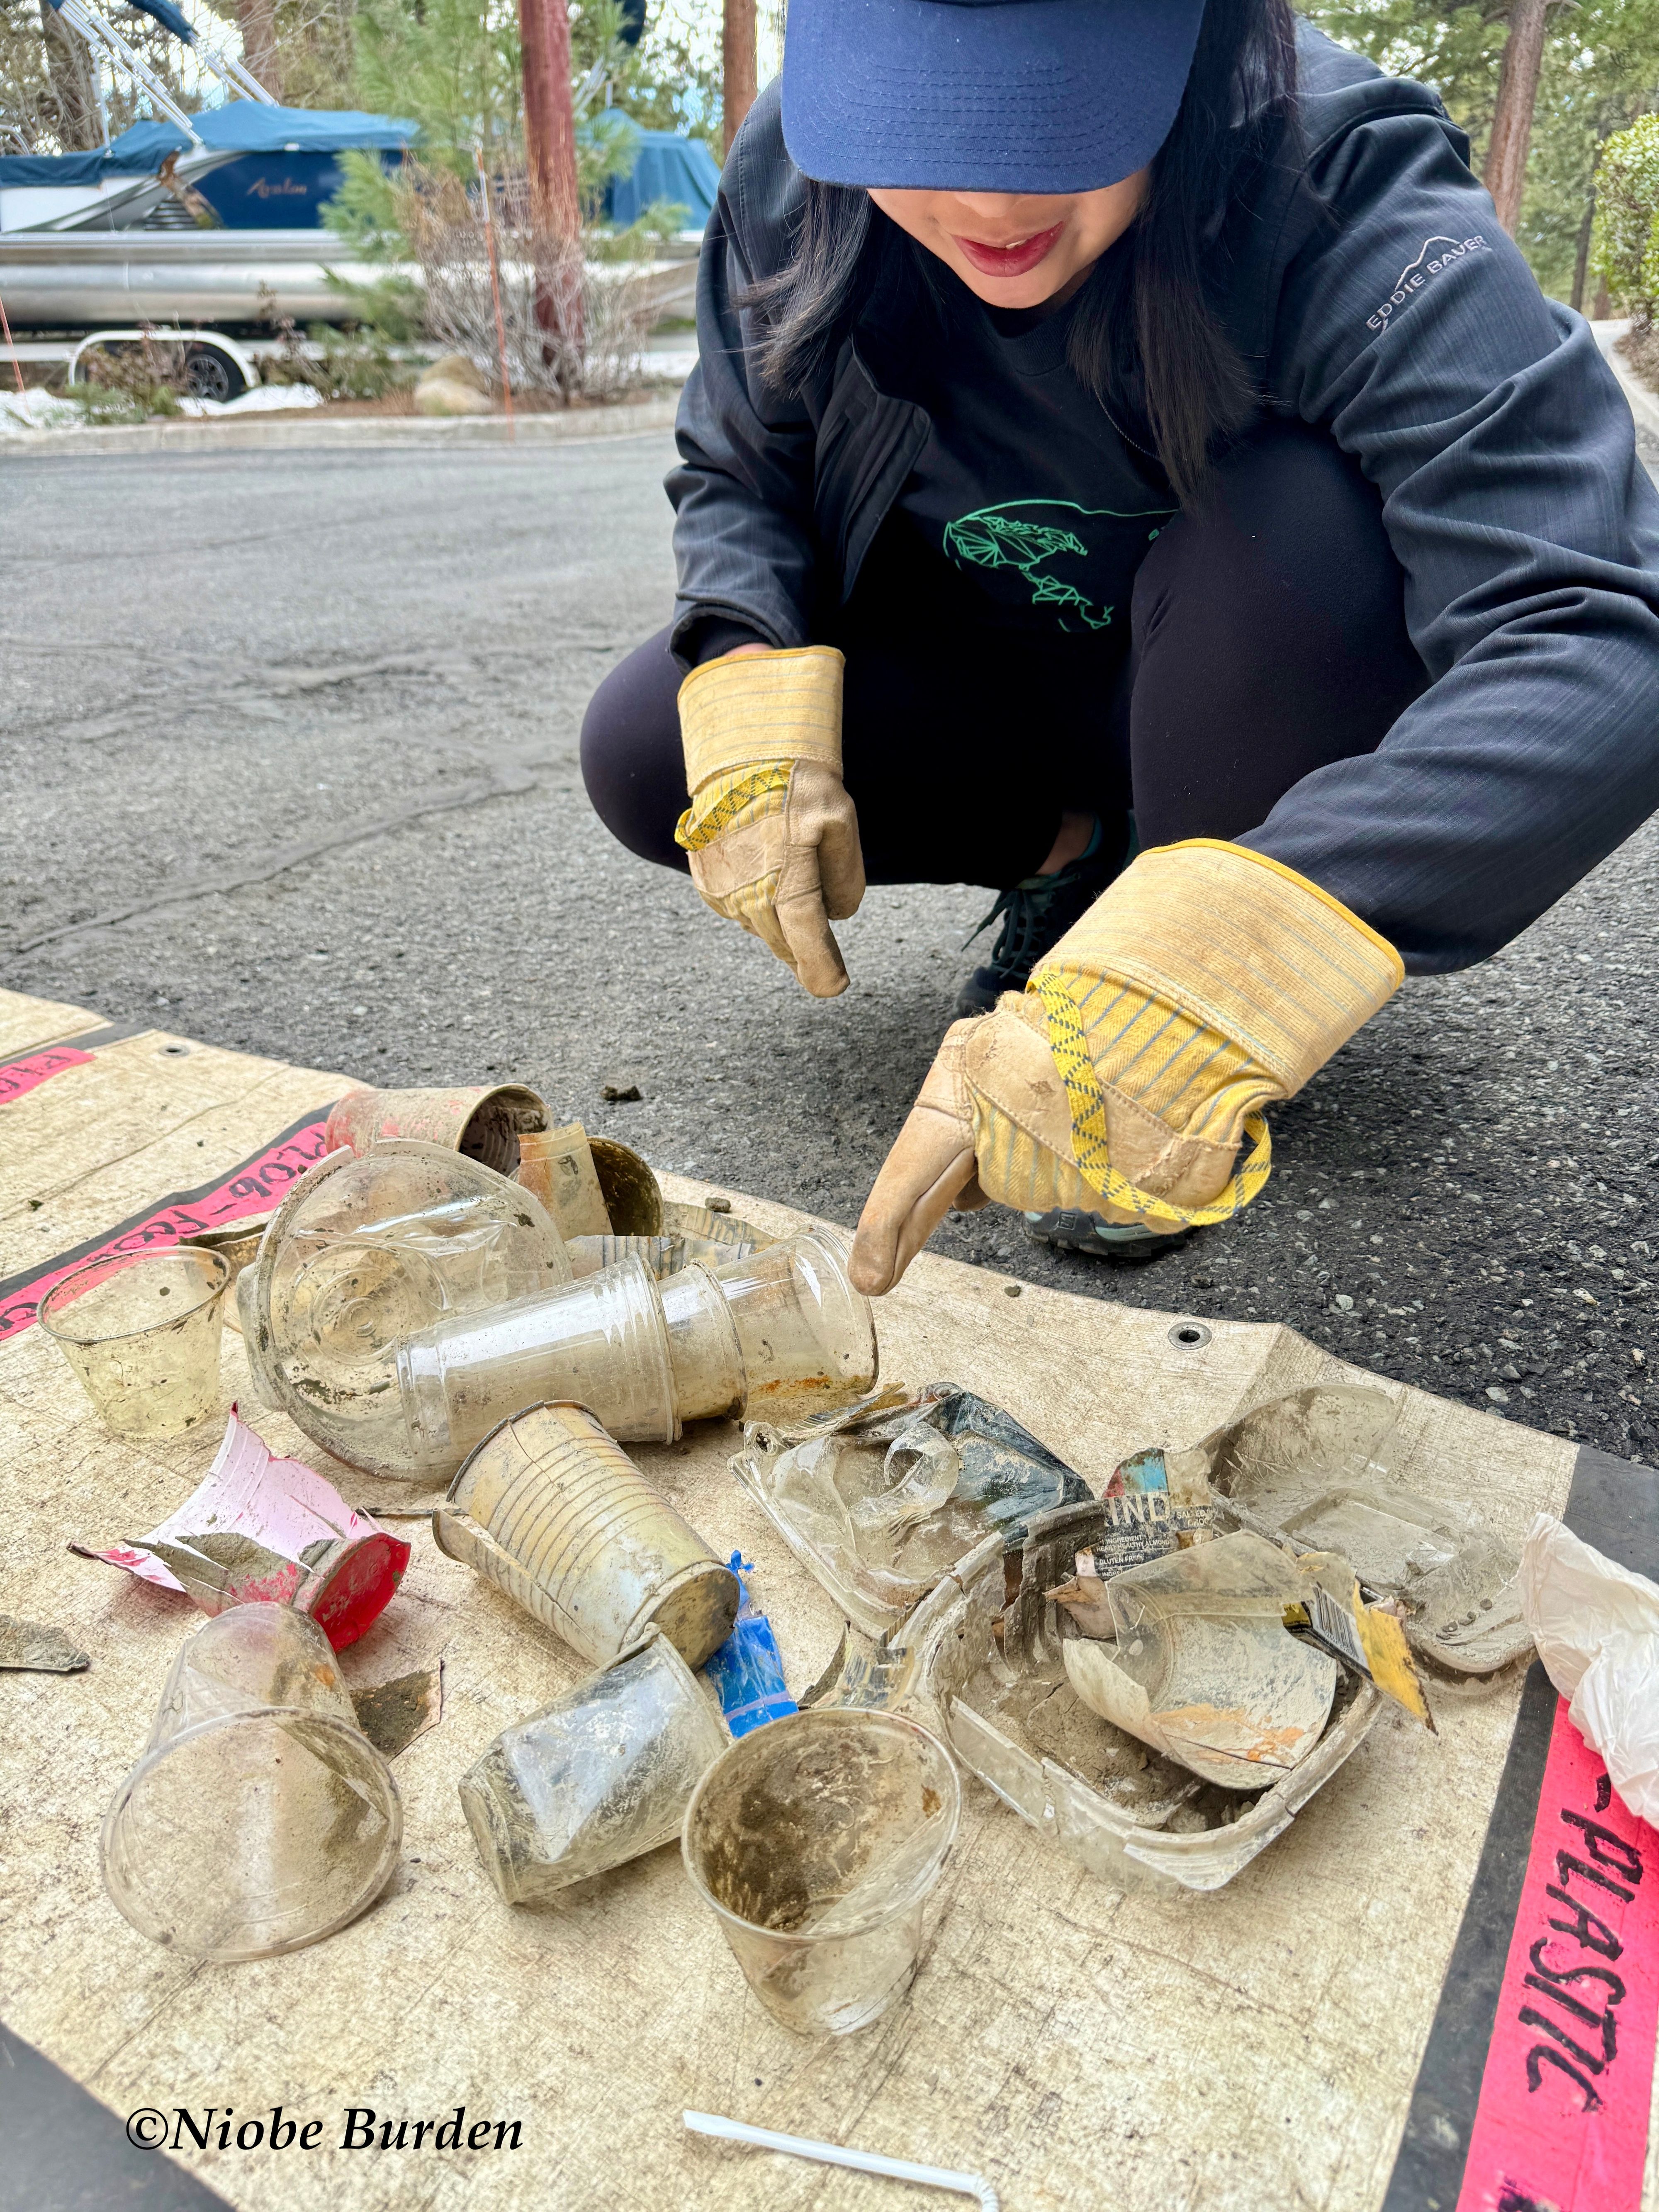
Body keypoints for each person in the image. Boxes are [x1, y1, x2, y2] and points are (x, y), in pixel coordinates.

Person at [579, 0, 1659, 1298]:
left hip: (1251, 671)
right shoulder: (800, 170)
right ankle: (1081, 856)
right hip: (1014, 673)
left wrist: (1228, 965)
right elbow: (739, 464)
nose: (985, 201)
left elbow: (1595, 630)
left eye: (1050, 116)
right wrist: (749, 664)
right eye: (922, 123)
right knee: (660, 745)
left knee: (1301, 520)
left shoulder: (1337, 177)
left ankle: (1185, 903)